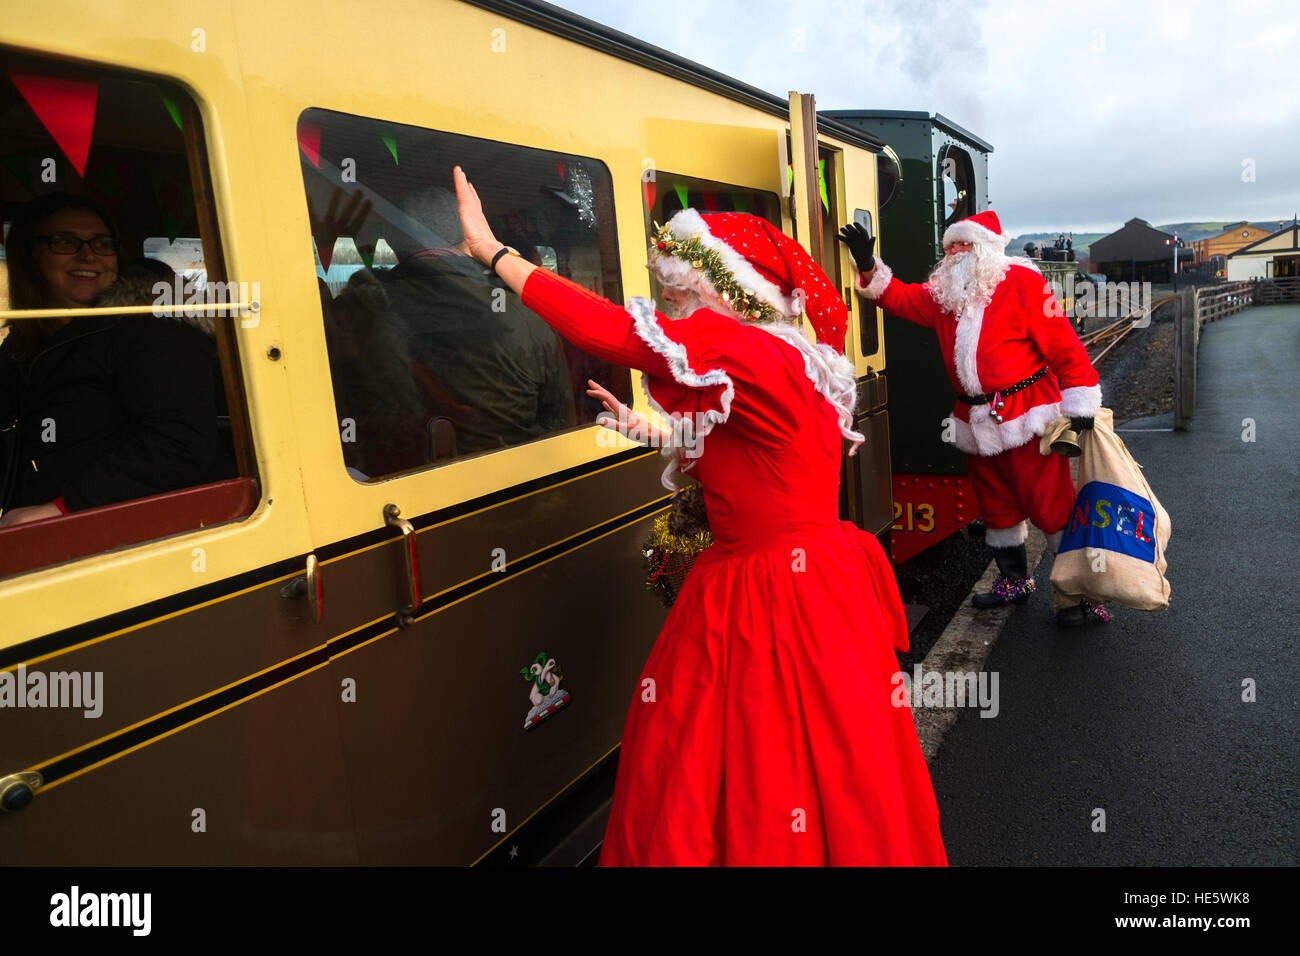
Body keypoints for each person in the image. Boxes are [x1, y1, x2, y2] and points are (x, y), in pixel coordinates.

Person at [453, 166, 947, 865]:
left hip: (765, 589)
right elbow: (760, 454)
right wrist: (652, 430)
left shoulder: (736, 344)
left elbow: (619, 335)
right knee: (833, 756)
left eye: (680, 290)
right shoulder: (789, 357)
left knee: (743, 760)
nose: (673, 304)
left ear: (726, 289)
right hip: (819, 579)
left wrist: (496, 254)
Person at [839, 210, 1107, 628]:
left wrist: (1080, 406)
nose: (956, 254)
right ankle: (1014, 582)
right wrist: (869, 266)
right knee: (996, 508)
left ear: (986, 250)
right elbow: (901, 298)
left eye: (964, 246)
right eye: (950, 248)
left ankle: (1079, 596)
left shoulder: (1023, 284)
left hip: (1025, 416)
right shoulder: (945, 293)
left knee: (1052, 507)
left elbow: (1064, 346)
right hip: (974, 420)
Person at [0, 193, 227, 527]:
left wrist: (63, 508)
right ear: (30, 256)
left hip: (132, 536)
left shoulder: (151, 325)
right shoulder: (22, 346)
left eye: (102, 244)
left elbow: (181, 442)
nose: (88, 254)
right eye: (66, 242)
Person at [374, 187, 575, 456]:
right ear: (471, 239)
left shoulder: (364, 308)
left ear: (394, 246)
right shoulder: (522, 311)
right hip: (517, 475)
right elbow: (562, 421)